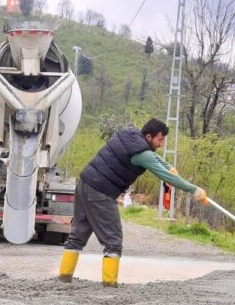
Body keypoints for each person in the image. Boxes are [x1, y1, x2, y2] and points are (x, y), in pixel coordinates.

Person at [57, 118, 209, 287]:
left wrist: (168, 166)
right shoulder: (142, 154)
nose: (161, 144)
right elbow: (163, 174)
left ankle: (64, 278)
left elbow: (157, 160)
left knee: (78, 235)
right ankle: (109, 285)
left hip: (84, 184)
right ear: (149, 136)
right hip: (101, 191)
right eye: (159, 140)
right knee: (113, 241)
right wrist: (195, 190)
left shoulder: (130, 135)